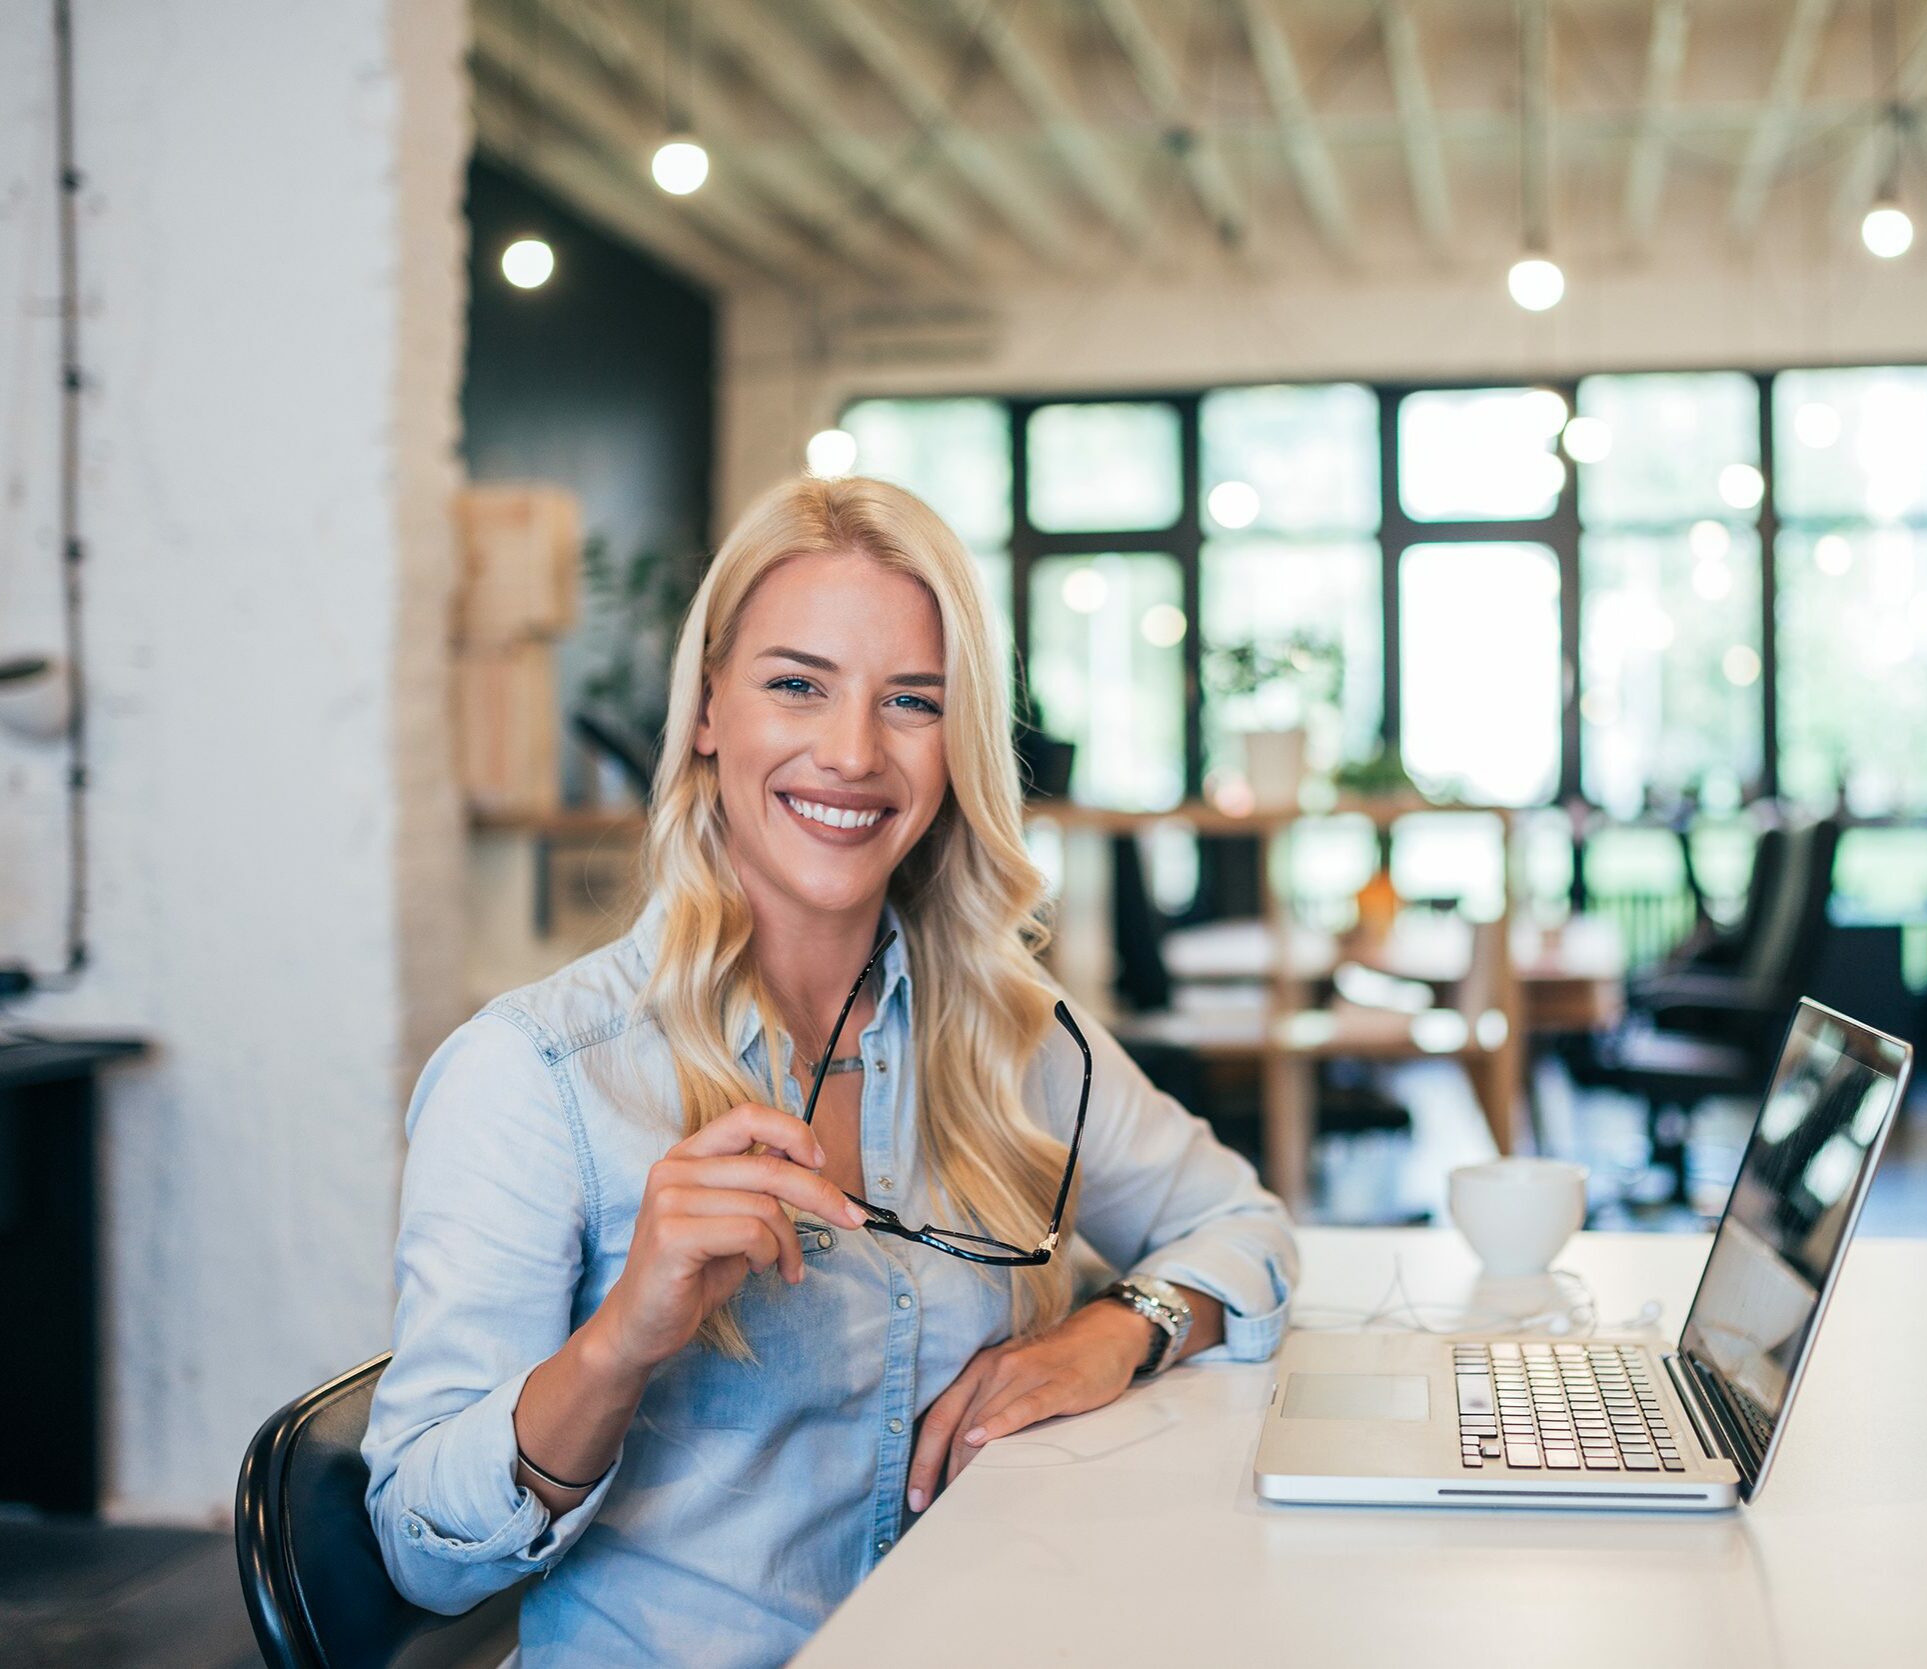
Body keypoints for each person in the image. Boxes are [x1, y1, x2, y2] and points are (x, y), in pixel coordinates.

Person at [364, 475, 1297, 1666]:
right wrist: (621, 1340)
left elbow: (1242, 1221)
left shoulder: (1007, 1032)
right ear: (709, 708)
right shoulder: (534, 1075)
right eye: (796, 684)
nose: (852, 753)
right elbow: (422, 1555)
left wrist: (1116, 1329)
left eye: (911, 701)